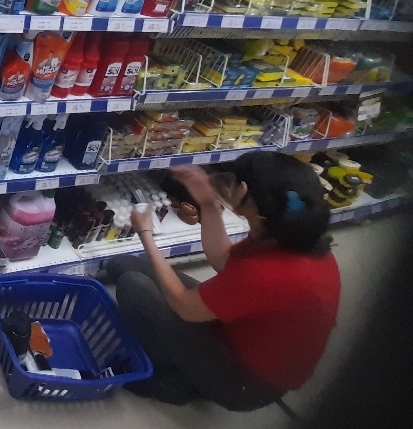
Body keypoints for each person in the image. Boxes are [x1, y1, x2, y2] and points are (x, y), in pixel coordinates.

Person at [105, 152, 340, 410]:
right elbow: (223, 258)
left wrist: (146, 233)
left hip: (245, 383)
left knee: (133, 287)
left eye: (230, 180)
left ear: (243, 190)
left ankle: (178, 382)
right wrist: (207, 204)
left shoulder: (266, 273)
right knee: (121, 264)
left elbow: (184, 305)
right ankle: (188, 365)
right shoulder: (288, 238)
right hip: (237, 332)